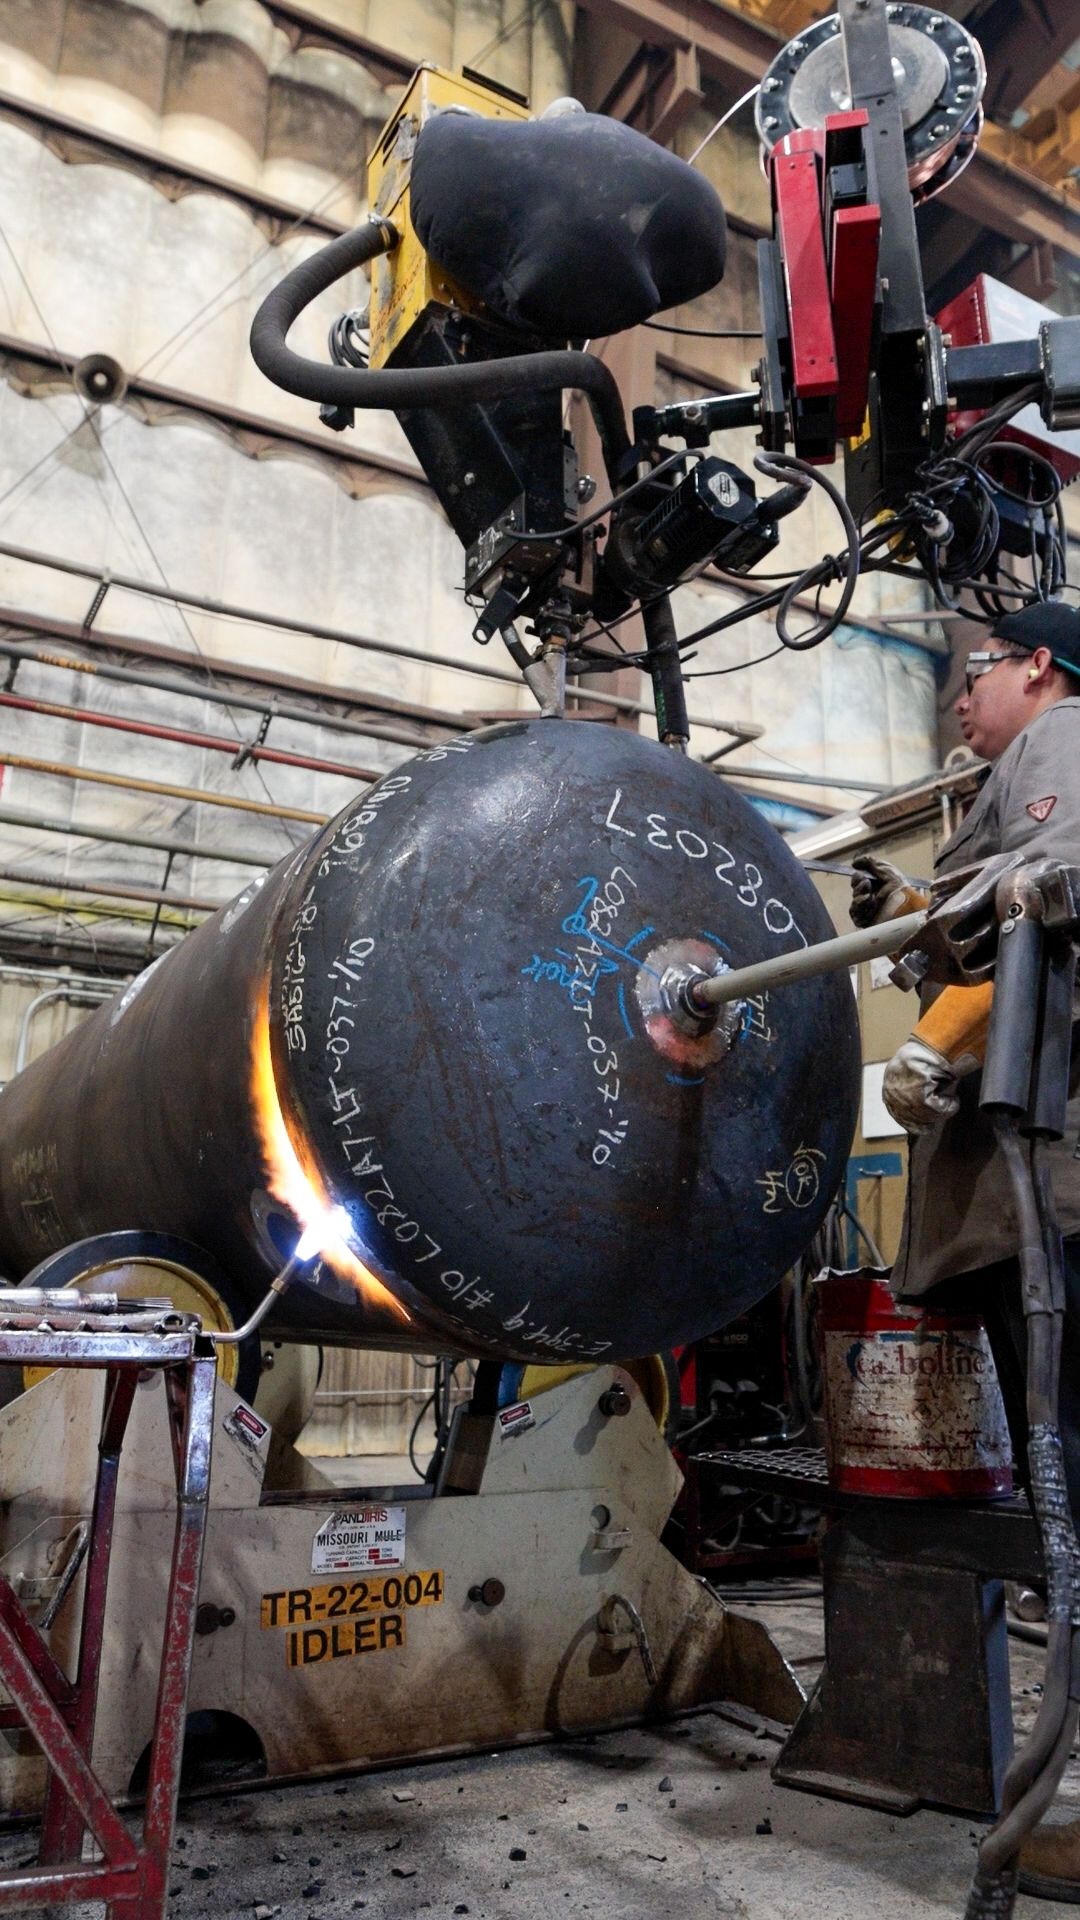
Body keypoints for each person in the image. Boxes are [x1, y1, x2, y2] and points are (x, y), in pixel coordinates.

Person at [851, 599, 1080, 1903]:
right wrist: (920, 921)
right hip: (1028, 1195)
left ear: (1041, 667)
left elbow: (1046, 898)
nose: (956, 698)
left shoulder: (1065, 746)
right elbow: (976, 917)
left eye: (974, 672)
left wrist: (945, 1015)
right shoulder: (1011, 786)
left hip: (1050, 1186)